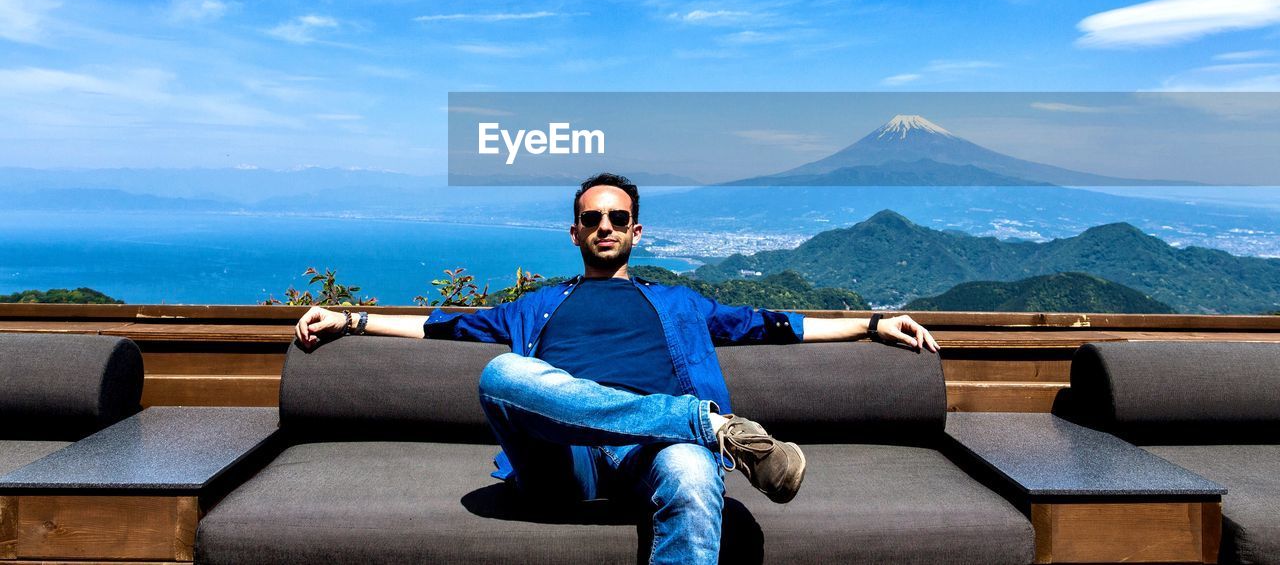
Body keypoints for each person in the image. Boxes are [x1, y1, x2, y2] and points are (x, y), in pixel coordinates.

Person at [295, 172, 939, 564]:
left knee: (689, 467)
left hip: (654, 455)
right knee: (500, 375)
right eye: (592, 218)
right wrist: (347, 319)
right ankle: (710, 425)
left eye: (618, 218)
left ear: (637, 232)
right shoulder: (538, 305)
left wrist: (877, 324)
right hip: (560, 460)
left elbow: (780, 324)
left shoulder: (682, 304)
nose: (605, 225)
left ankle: (699, 433)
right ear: (574, 233)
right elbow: (440, 324)